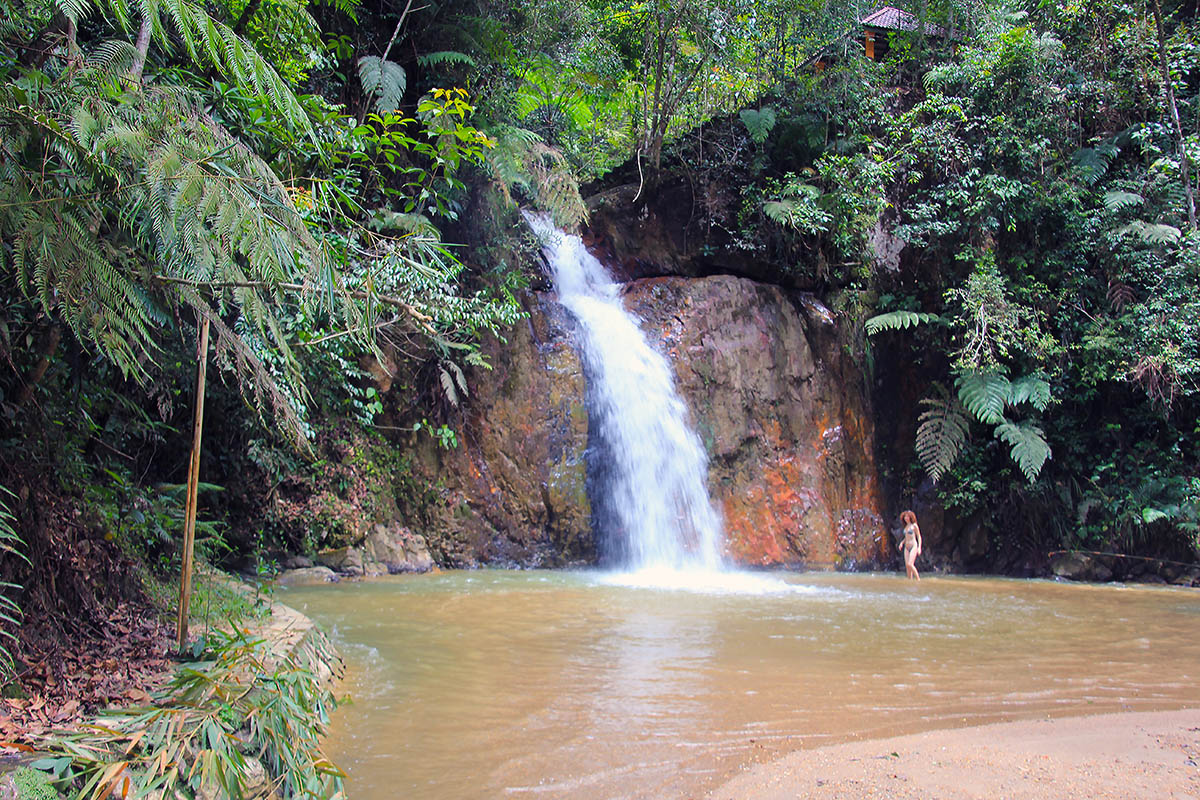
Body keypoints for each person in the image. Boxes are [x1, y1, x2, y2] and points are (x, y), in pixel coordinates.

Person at [900, 510, 922, 581]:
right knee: (907, 566)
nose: (906, 518)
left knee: (910, 564)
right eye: (905, 516)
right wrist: (902, 543)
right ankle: (910, 580)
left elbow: (919, 537)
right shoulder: (906, 526)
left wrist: (919, 547)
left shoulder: (914, 526)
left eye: (907, 517)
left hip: (913, 546)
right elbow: (906, 537)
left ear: (911, 517)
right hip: (906, 547)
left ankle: (918, 580)